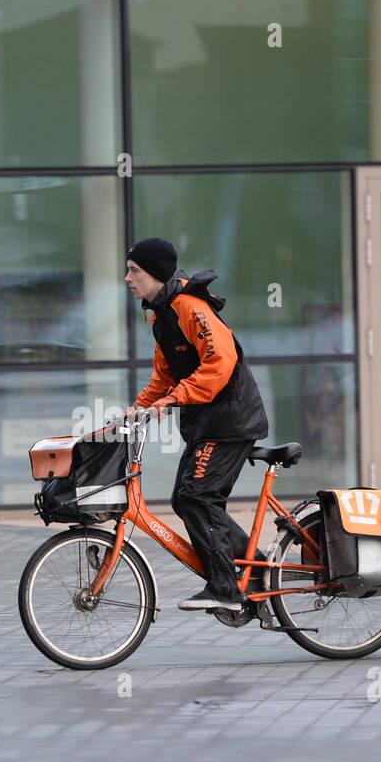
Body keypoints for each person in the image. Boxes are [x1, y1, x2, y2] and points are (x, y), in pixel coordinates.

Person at [123, 237, 270, 612]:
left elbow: (219, 363)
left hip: (231, 421)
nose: (127, 278)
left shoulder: (190, 307)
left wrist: (175, 399)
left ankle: (224, 587)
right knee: (185, 499)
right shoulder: (161, 314)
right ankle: (256, 569)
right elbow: (164, 375)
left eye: (134, 271)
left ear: (155, 274)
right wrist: (139, 407)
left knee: (197, 496)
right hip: (209, 424)